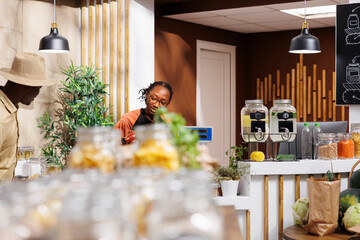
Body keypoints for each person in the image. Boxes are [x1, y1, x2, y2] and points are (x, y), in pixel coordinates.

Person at [0, 52, 57, 181]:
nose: (37, 94)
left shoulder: (8, 108)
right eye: (38, 88)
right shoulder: (1, 117)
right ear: (27, 87)